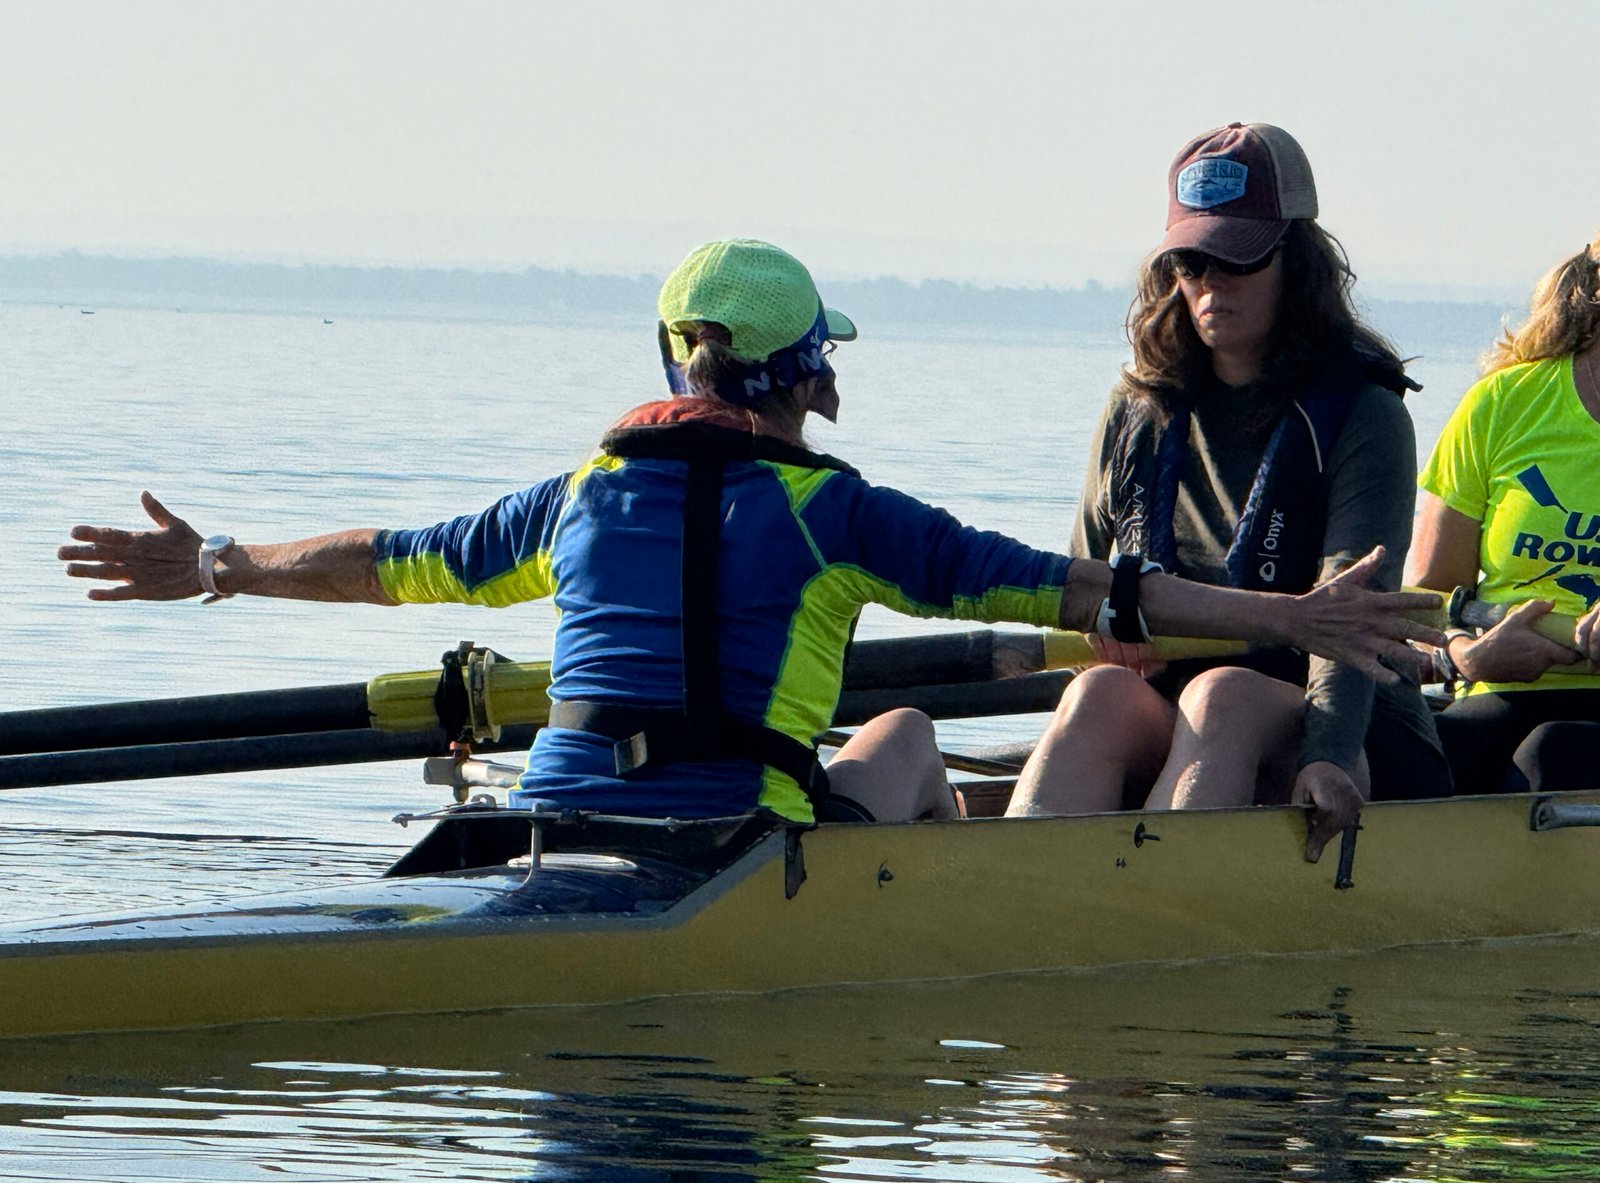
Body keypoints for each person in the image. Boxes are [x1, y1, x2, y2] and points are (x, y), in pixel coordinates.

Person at [59, 238, 1441, 829]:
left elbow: (388, 563)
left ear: (676, 367)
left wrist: (228, 564)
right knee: (895, 739)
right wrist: (1288, 621)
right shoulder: (840, 515)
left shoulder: (576, 498)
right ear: (809, 380)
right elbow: (1096, 594)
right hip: (734, 840)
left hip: (561, 820)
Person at [1008, 123, 1452, 859]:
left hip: (1350, 721)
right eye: (1191, 261)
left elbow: (1353, 616)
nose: (1210, 284)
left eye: (1237, 260)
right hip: (1184, 716)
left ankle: (1163, 897)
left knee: (1226, 695)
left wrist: (1332, 754)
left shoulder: (1365, 415)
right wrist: (1107, 641)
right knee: (1098, 696)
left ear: (1297, 262)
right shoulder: (1136, 410)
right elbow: (1083, 587)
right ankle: (1015, 901)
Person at [1408, 233, 1600, 794]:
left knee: (1553, 755)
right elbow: (1426, 601)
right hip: (1499, 686)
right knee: (1418, 755)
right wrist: (1464, 656)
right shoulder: (1502, 404)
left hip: (1565, 741)